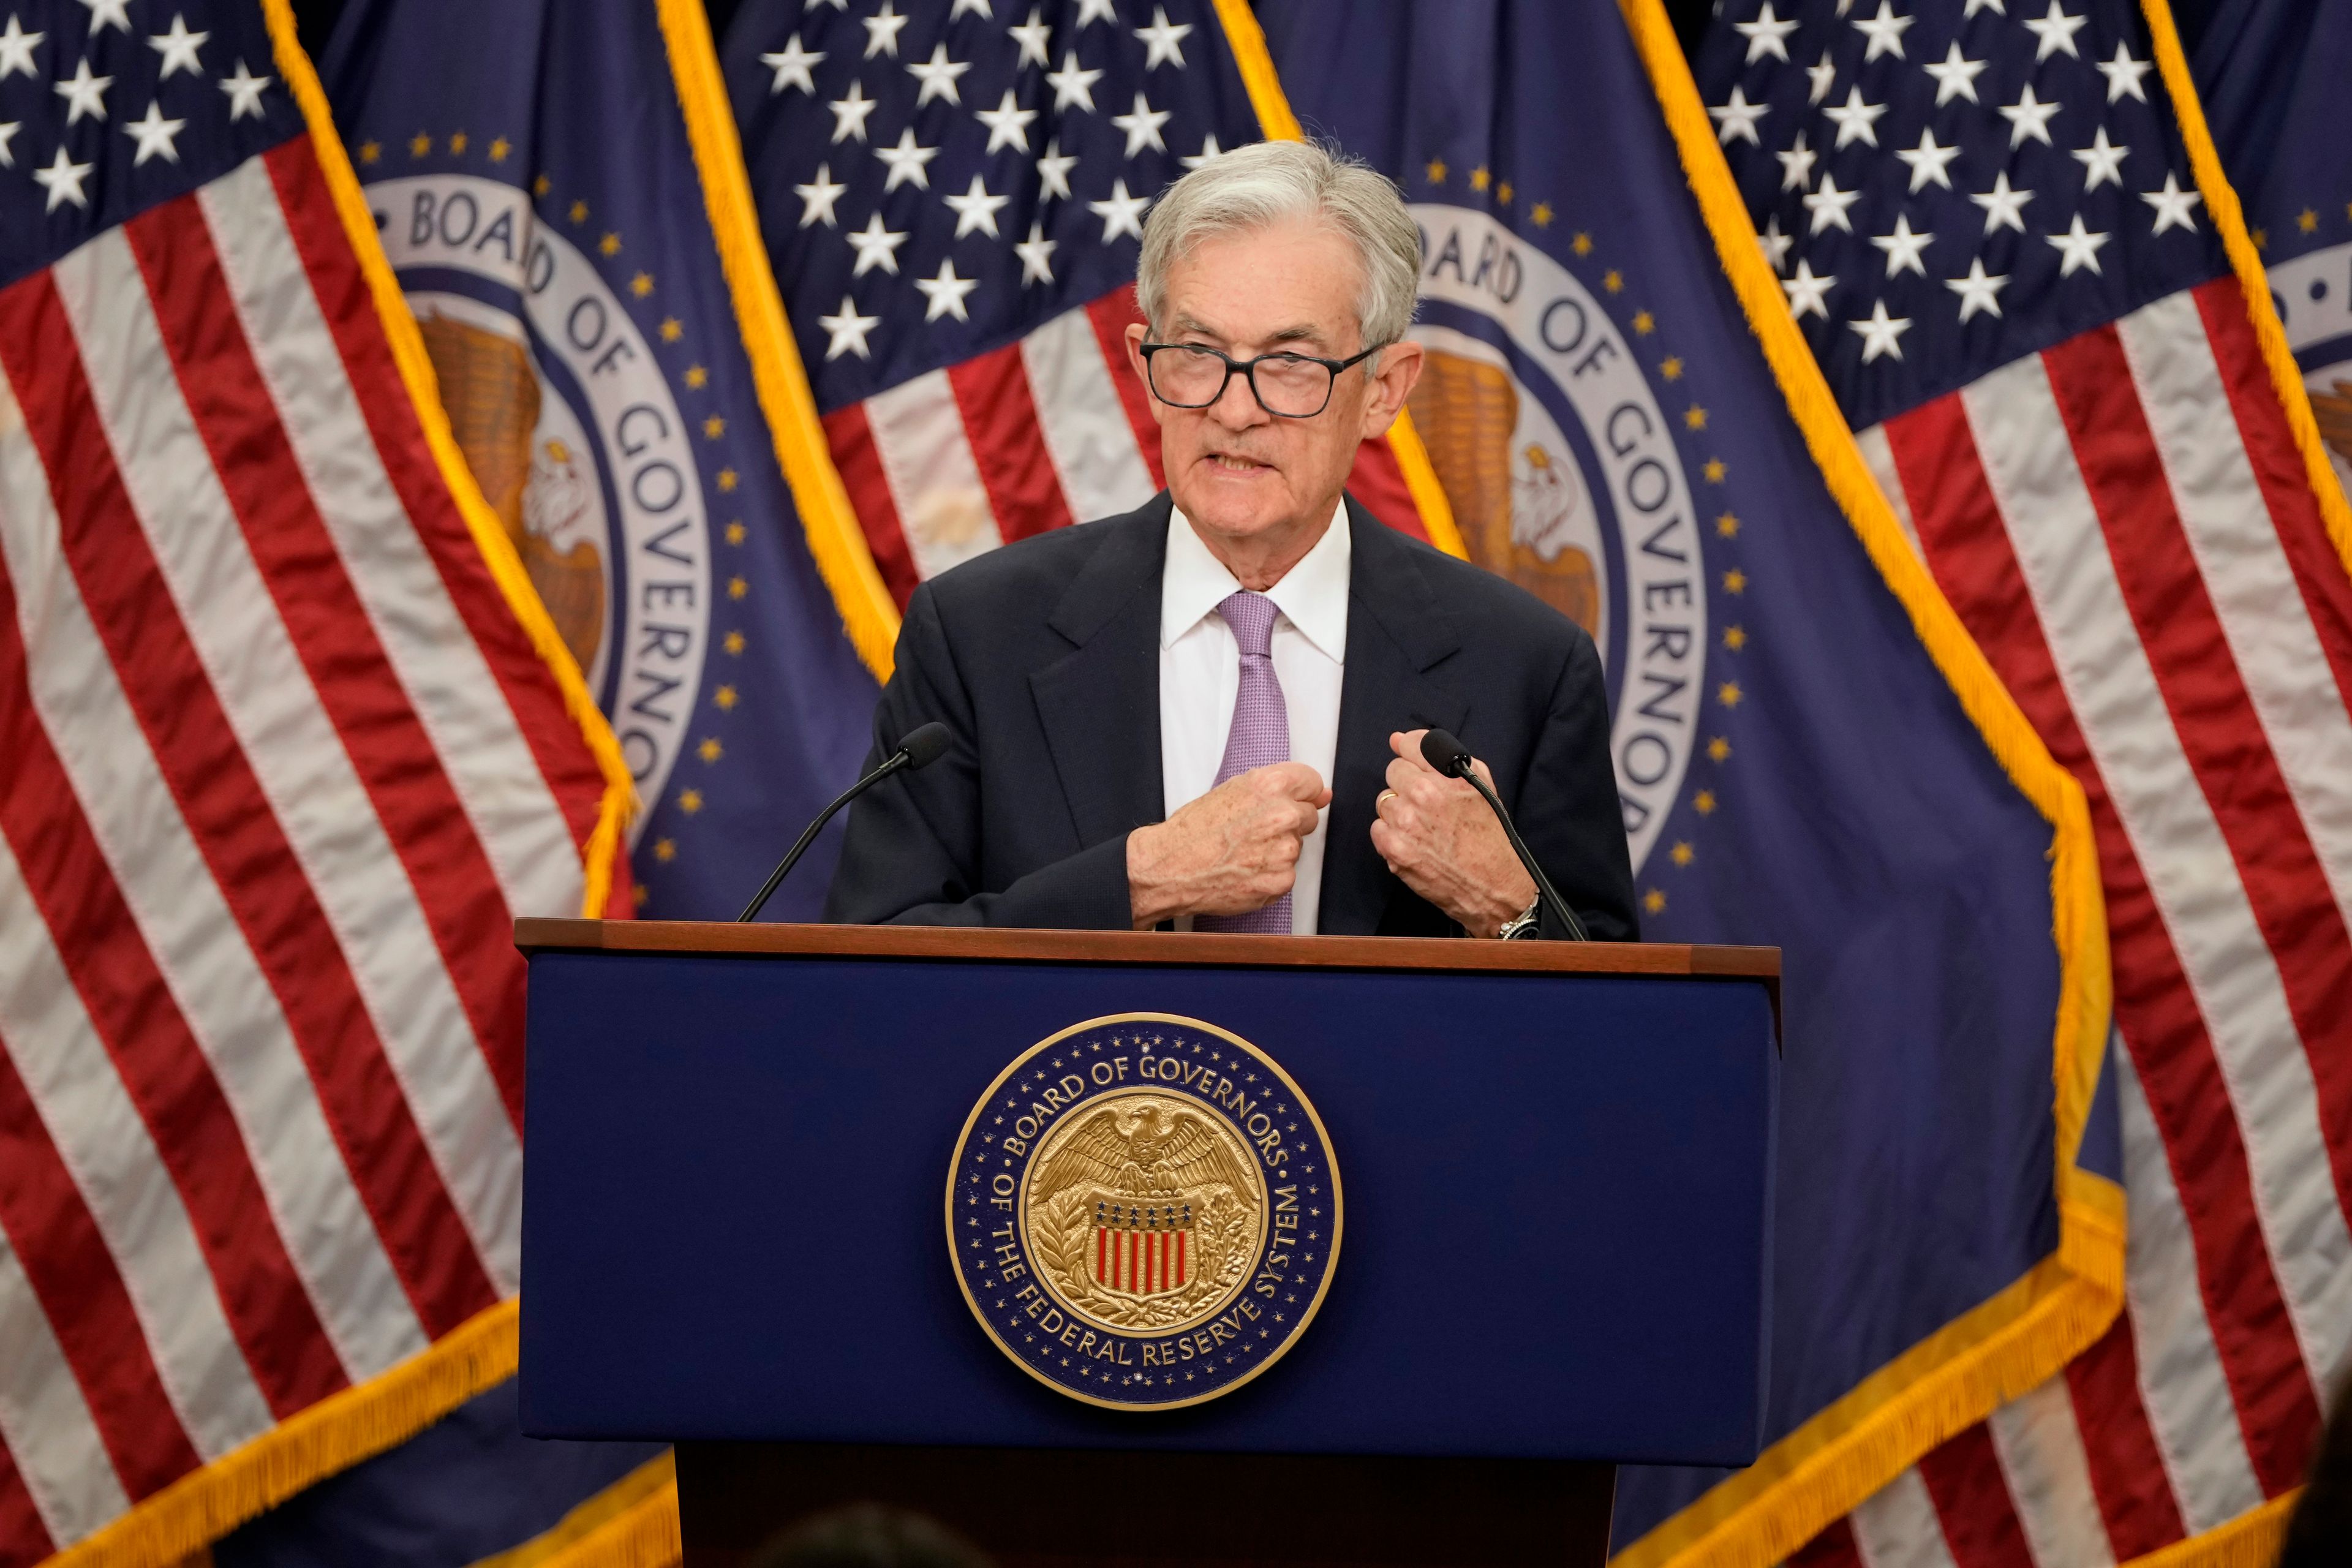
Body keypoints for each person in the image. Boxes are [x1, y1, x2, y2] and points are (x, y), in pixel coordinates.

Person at [824, 141, 1635, 941]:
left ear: (1385, 390)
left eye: (1289, 362)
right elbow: (867, 962)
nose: (1235, 410)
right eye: (1198, 354)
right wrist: (1142, 878)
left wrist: (1510, 909)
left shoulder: (1525, 666)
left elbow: (1625, 1037)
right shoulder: (976, 636)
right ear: (1146, 365)